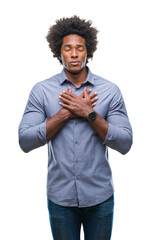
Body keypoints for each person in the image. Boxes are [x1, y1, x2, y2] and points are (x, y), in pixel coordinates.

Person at [18, 16, 133, 240]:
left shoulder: (110, 90)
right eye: (67, 48)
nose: (73, 54)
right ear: (58, 51)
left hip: (100, 197)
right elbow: (25, 140)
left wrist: (89, 114)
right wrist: (66, 112)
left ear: (87, 52)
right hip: (60, 199)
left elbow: (125, 143)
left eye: (79, 48)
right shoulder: (42, 91)